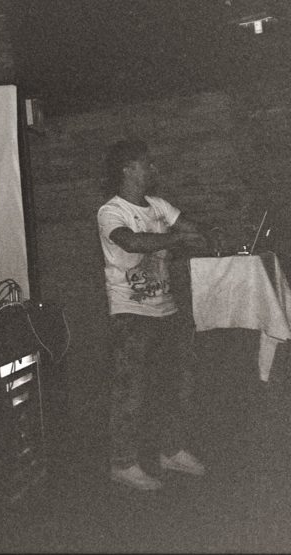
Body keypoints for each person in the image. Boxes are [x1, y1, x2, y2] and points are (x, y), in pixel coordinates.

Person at [97, 138, 212, 491]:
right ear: (127, 169)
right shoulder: (111, 211)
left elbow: (193, 232)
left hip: (166, 308)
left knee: (176, 383)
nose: (152, 169)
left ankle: (170, 450)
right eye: (146, 164)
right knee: (131, 389)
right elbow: (131, 242)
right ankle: (123, 463)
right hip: (130, 311)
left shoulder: (159, 206)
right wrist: (174, 240)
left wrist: (190, 236)